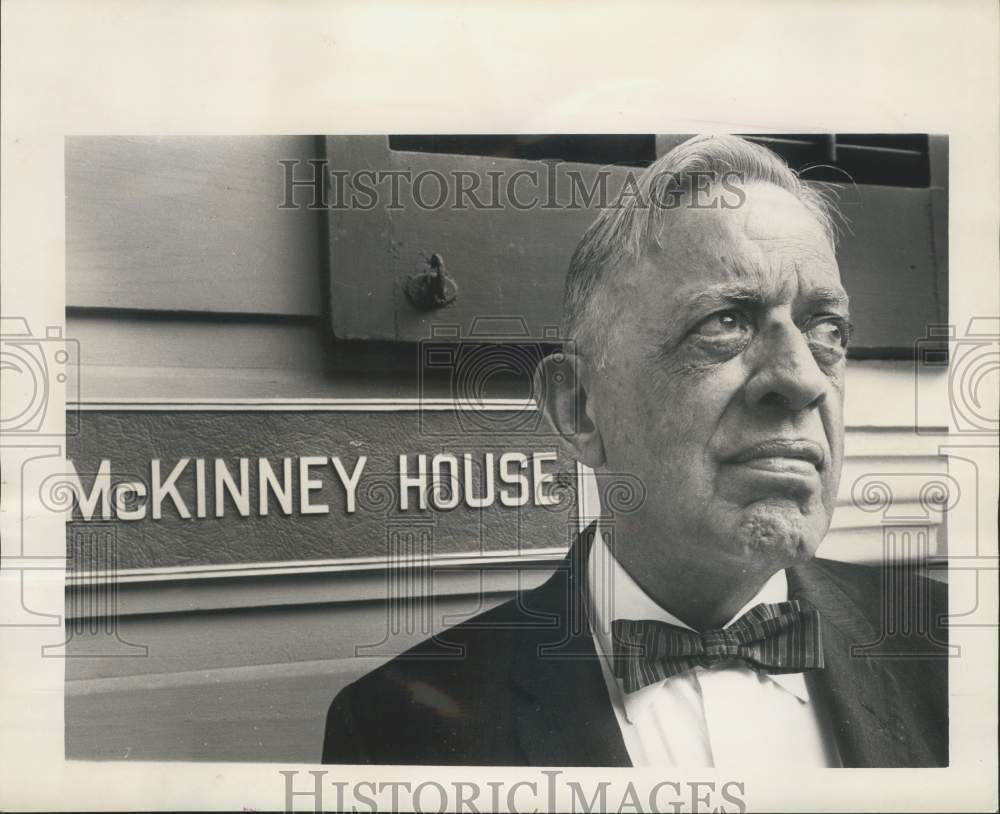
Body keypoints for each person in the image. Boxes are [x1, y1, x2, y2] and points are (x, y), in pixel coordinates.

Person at [322, 135, 948, 768]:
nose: (804, 378)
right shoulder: (396, 733)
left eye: (826, 331)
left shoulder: (952, 646)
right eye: (726, 321)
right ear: (580, 409)